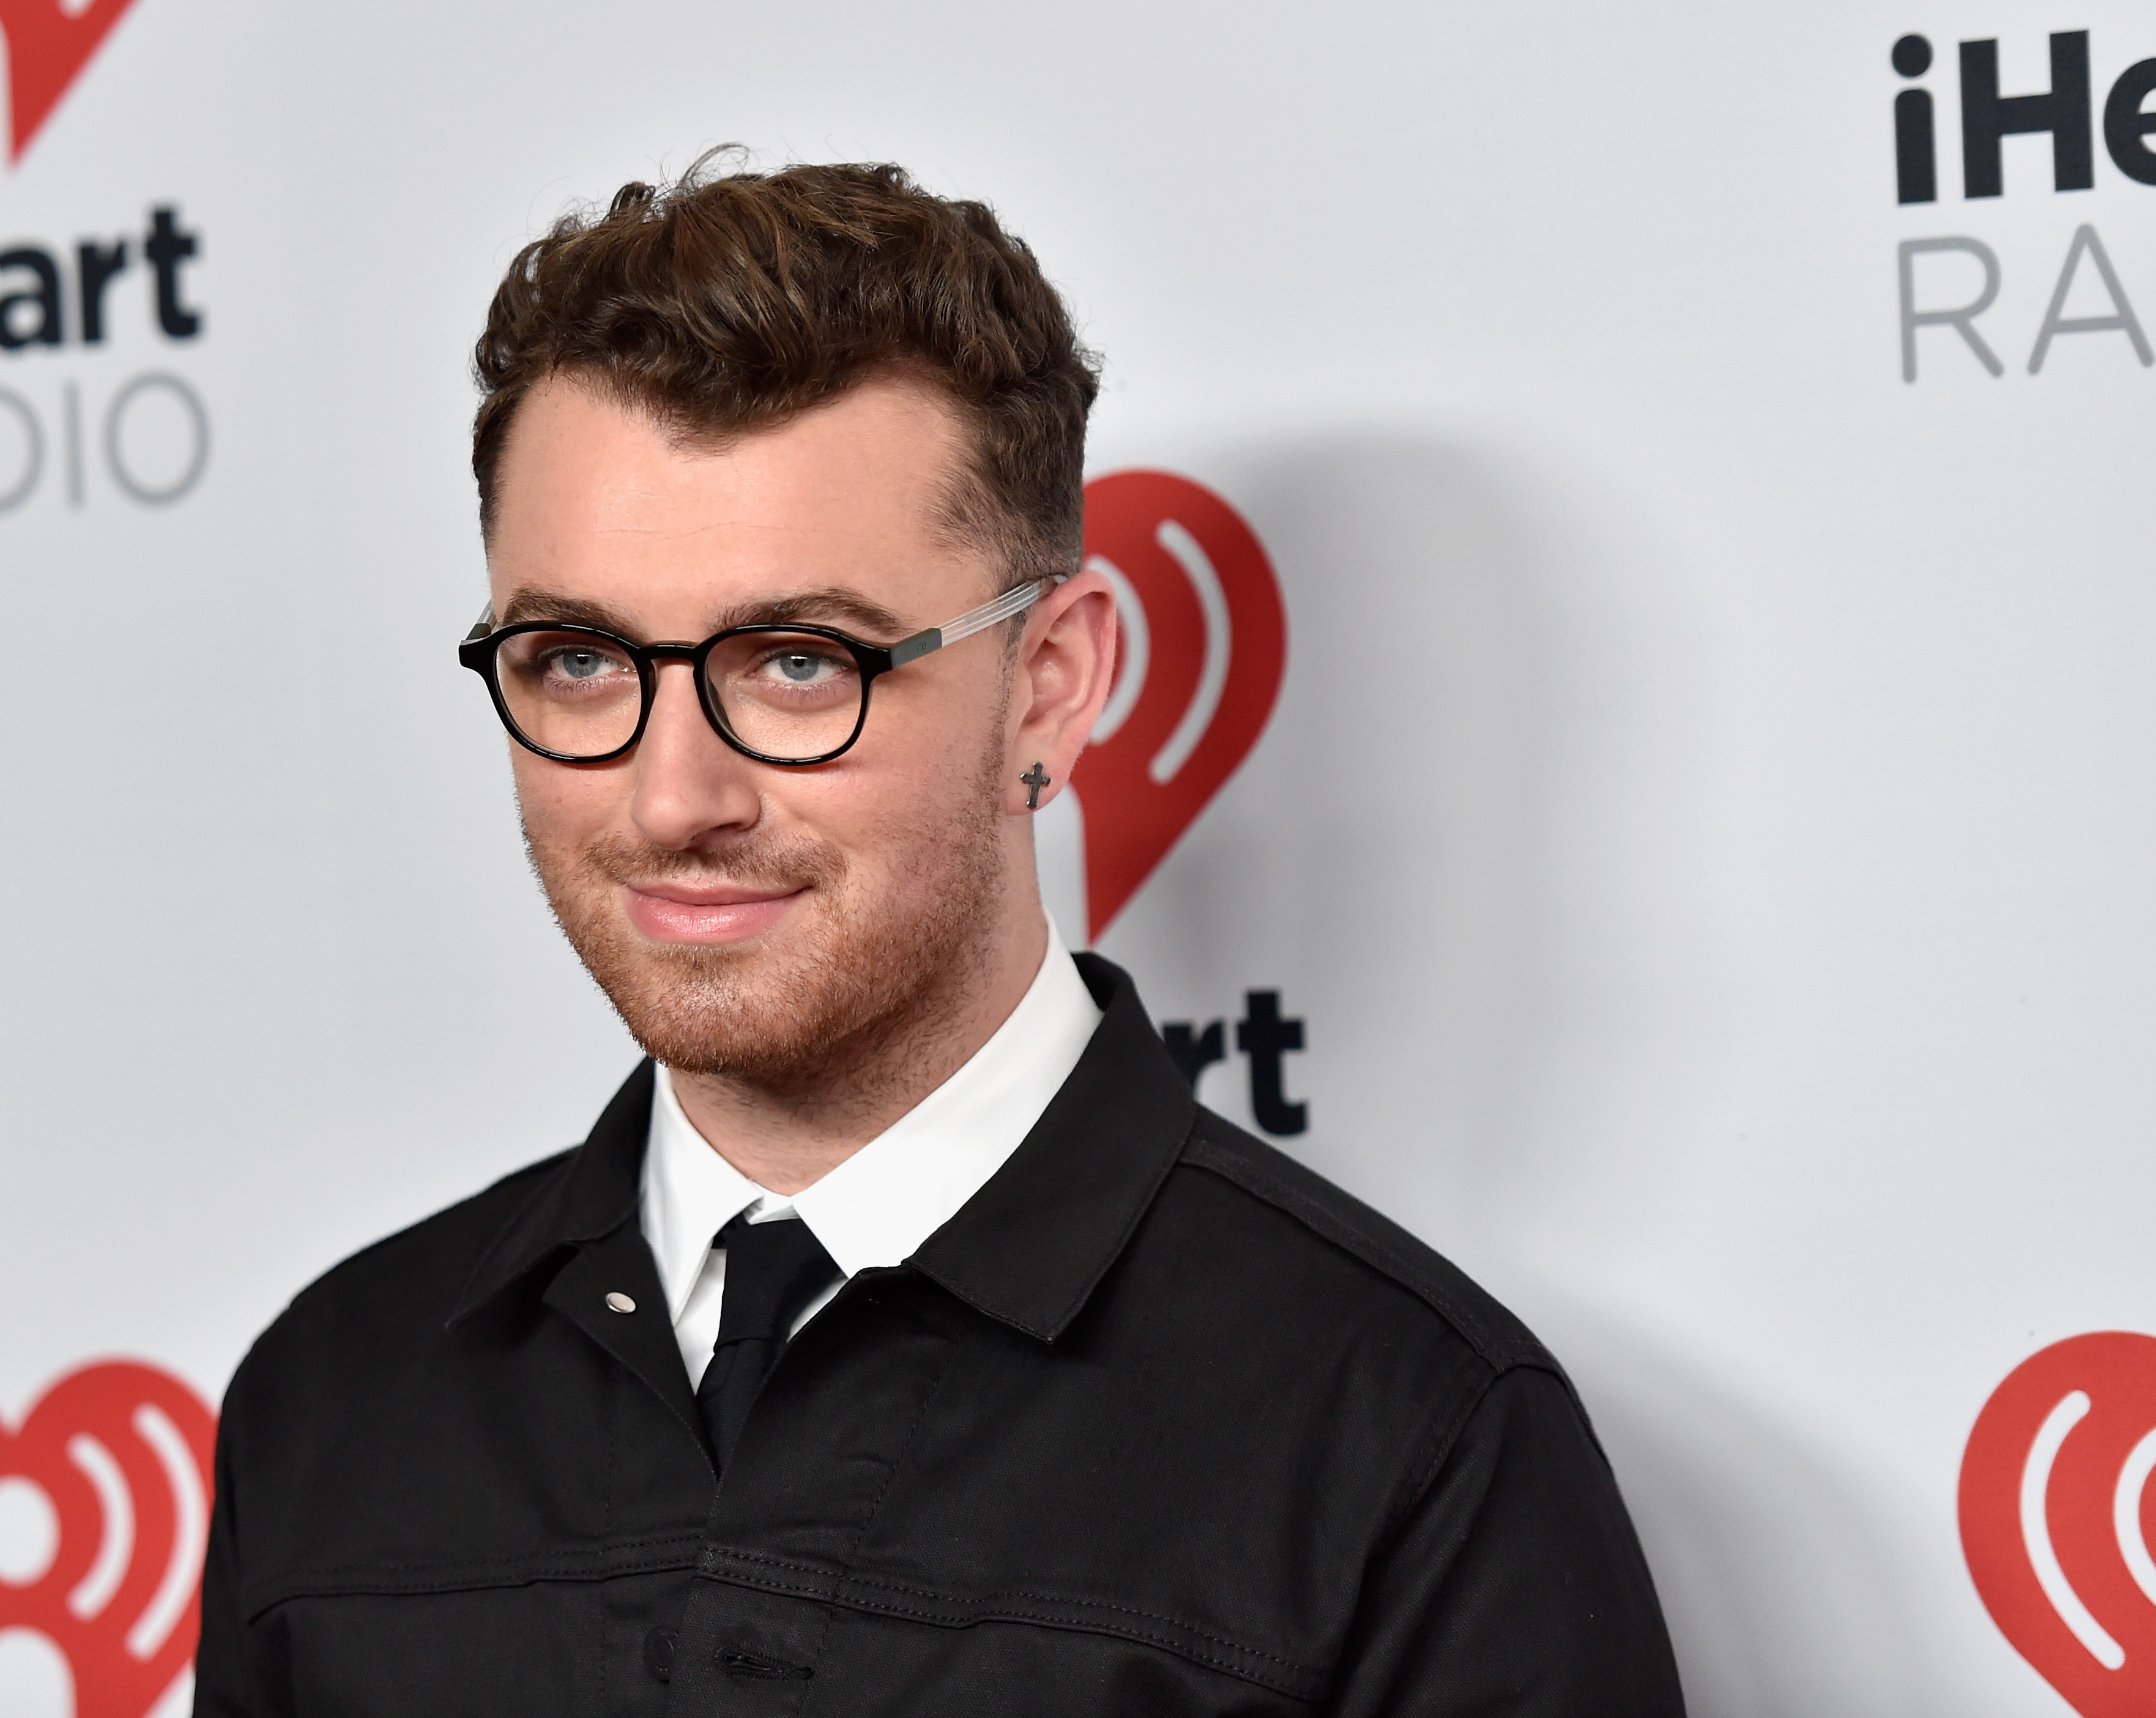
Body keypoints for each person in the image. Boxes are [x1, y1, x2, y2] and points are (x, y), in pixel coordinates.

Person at [195, 155, 1685, 1716]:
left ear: (1050, 682)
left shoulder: (1406, 1443)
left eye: (795, 663)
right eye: (576, 660)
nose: (671, 794)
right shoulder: (336, 1395)